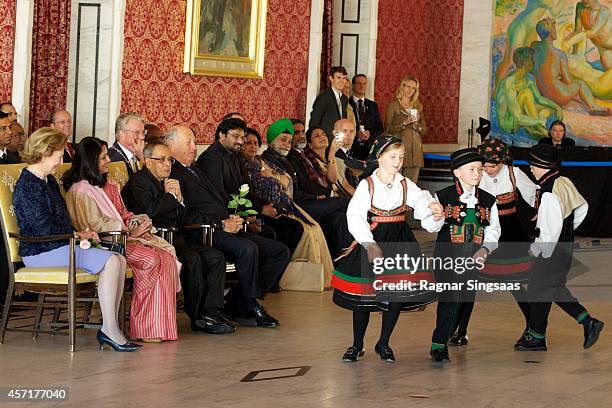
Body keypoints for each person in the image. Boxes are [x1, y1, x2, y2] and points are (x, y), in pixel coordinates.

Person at [12, 128, 139, 351]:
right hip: (39, 252)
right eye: (59, 155)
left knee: (118, 259)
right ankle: (109, 330)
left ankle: (111, 327)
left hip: (59, 246)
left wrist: (81, 233)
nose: (62, 161)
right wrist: (76, 234)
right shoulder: (28, 185)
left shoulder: (48, 181)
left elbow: (60, 219)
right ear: (44, 152)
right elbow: (42, 229)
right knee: (111, 261)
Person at [333, 136, 443, 363]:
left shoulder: (405, 183)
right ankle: (357, 344)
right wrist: (368, 243)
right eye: (393, 157)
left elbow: (420, 198)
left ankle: (383, 343)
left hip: (400, 242)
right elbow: (354, 216)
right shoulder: (367, 185)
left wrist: (431, 206)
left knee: (396, 294)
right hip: (373, 240)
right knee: (364, 296)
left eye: (401, 157)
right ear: (379, 157)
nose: (398, 162)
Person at [166, 125, 288, 328]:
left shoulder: (194, 169)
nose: (194, 147)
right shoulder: (173, 173)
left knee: (278, 251)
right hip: (203, 231)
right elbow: (184, 213)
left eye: (194, 142)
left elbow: (219, 197)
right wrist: (221, 223)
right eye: (189, 142)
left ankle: (238, 301)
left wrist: (235, 216)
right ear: (171, 145)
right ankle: (249, 303)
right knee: (247, 249)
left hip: (224, 225)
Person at [63, 137, 180, 343]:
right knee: (151, 259)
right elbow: (91, 225)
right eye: (103, 157)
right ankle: (145, 328)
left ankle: (160, 326)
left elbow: (124, 214)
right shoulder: (80, 190)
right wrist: (126, 231)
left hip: (124, 238)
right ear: (90, 161)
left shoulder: (109, 185)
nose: (108, 160)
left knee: (166, 257)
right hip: (105, 244)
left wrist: (137, 223)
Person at [121, 141, 234, 334]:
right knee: (193, 260)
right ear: (148, 162)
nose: (167, 164)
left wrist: (179, 200)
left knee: (215, 257)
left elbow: (181, 215)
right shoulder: (138, 183)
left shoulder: (167, 182)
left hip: (177, 237)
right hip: (157, 240)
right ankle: (198, 317)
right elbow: (152, 210)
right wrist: (172, 197)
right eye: (162, 160)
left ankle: (211, 312)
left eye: (170, 160)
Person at [448, 139, 537, 346]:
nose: (487, 170)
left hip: (510, 233)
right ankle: (461, 331)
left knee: (515, 282)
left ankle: (534, 327)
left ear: (503, 161)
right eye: (484, 165)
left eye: (493, 166)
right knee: (470, 282)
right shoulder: (477, 174)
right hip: (483, 231)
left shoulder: (514, 173)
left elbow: (535, 195)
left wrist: (541, 214)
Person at [515, 144, 604, 351]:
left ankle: (537, 338)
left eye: (533, 166)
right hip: (565, 245)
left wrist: (537, 250)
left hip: (551, 250)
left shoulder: (547, 194)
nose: (531, 169)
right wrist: (569, 228)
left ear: (542, 165)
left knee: (538, 291)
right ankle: (587, 322)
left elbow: (549, 232)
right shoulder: (563, 181)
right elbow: (583, 207)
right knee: (553, 288)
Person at [428, 148, 501, 362]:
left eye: (479, 169)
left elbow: (493, 230)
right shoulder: (442, 196)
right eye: (471, 169)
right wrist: (437, 216)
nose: (477, 174)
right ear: (457, 172)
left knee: (467, 297)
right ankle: (438, 343)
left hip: (473, 256)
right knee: (449, 298)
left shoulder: (488, 200)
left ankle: (456, 331)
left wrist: (485, 249)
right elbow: (432, 226)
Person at [241, 127, 335, 285]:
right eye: (283, 140)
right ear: (271, 142)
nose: (252, 146)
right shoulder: (249, 164)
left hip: (282, 206)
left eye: (255, 143)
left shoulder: (263, 161)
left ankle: (315, 279)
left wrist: (276, 177)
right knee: (303, 229)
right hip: (268, 210)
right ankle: (293, 279)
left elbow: (288, 182)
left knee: (318, 226)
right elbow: (280, 185)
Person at [196, 118, 304, 256]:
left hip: (243, 213)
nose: (240, 141)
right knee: (273, 237)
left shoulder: (234, 155)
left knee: (294, 228)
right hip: (223, 221)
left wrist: (254, 212)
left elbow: (245, 190)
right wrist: (247, 216)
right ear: (222, 135)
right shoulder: (211, 158)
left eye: (242, 137)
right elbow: (219, 196)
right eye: (236, 137)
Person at [263, 119, 352, 260]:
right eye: (283, 140)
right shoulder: (268, 160)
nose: (286, 144)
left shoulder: (285, 159)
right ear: (272, 140)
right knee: (346, 203)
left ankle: (341, 265)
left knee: (338, 218)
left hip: (303, 202)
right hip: (293, 207)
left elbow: (298, 188)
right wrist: (316, 198)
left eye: (288, 141)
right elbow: (293, 192)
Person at [532, 18, 610, 116]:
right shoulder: (559, 54)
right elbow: (568, 81)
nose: (556, 31)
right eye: (554, 28)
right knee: (580, 84)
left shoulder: (534, 46)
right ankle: (592, 106)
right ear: (551, 33)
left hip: (543, 94)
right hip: (559, 96)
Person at [495, 47, 562, 139]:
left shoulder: (529, 78)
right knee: (526, 93)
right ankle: (543, 132)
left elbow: (539, 99)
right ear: (524, 62)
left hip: (520, 115)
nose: (534, 62)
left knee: (550, 109)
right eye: (531, 59)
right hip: (510, 123)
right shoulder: (509, 83)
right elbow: (517, 117)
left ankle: (532, 128)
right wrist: (538, 120)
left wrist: (557, 107)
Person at [385, 76, 427, 183]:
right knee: (395, 184)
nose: (410, 90)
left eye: (413, 88)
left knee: (411, 186)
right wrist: (404, 123)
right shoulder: (393, 106)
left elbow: (424, 130)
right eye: (408, 86)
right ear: (402, 87)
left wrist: (416, 124)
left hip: (415, 151)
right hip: (399, 149)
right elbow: (388, 129)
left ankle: (408, 201)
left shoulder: (418, 106)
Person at [348, 74, 384, 161]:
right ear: (353, 85)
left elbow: (380, 127)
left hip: (369, 149)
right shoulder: (347, 103)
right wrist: (356, 133)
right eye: (359, 83)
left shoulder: (372, 105)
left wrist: (369, 133)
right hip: (352, 147)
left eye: (364, 83)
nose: (362, 86)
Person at [309, 66, 349, 141]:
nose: (342, 81)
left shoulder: (344, 99)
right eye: (339, 78)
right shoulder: (324, 97)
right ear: (331, 78)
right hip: (325, 141)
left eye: (344, 78)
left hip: (340, 141)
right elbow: (314, 122)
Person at [574, 0, 612, 70]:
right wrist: (574, 55)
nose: (584, 0)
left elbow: (593, 32)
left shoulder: (604, 11)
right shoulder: (580, 7)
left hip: (609, 46)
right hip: (604, 50)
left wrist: (570, 41)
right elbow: (577, 31)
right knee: (609, 73)